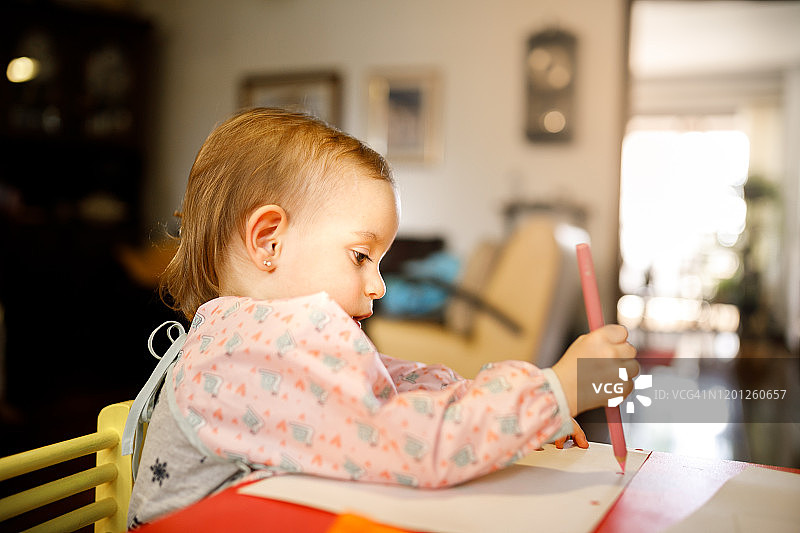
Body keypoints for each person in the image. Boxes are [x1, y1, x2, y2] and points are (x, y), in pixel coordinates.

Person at [124, 107, 638, 527]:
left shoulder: (260, 338)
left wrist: (525, 415)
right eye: (360, 256)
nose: (379, 285)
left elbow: (404, 387)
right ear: (269, 241)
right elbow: (414, 444)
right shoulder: (251, 353)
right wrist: (556, 390)